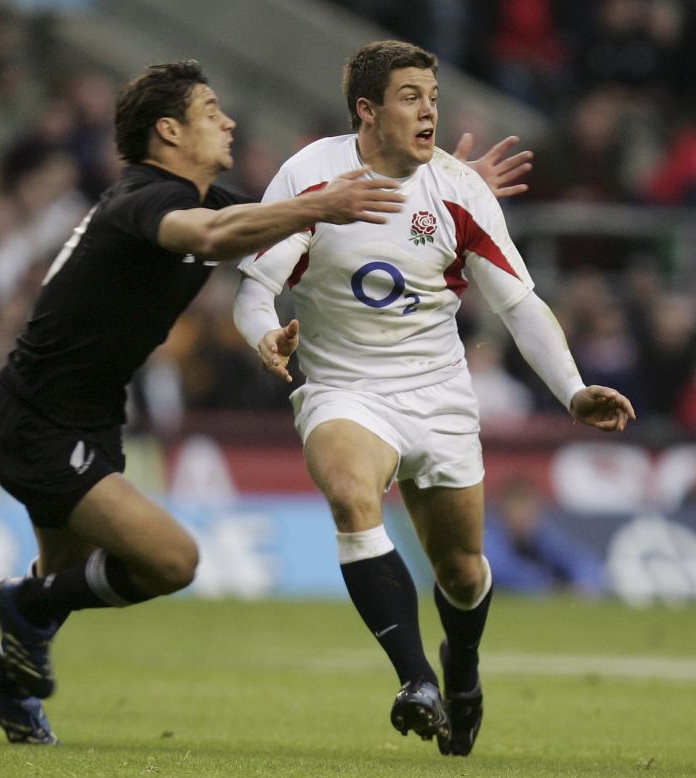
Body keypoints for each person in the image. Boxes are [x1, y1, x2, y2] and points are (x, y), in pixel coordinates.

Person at [0, 58, 530, 746]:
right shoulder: (145, 199)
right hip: (36, 420)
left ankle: (6, 682)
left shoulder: (208, 198)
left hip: (86, 414)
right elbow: (211, 237)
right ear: (169, 131)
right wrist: (317, 203)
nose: (228, 121)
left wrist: (448, 194)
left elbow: (289, 231)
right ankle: (17, 605)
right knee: (169, 561)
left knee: (64, 580)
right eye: (210, 113)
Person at [233, 40, 636, 757]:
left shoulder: (457, 188)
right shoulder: (312, 176)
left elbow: (520, 304)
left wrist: (572, 391)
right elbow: (255, 289)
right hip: (343, 387)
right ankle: (416, 679)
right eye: (411, 97)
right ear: (367, 110)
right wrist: (265, 337)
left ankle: (462, 667)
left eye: (434, 96)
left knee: (460, 570)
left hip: (440, 391)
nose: (430, 111)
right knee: (354, 498)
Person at [482, 477, 606, 597]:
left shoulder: (541, 533)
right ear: (503, 512)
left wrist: (584, 583)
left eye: (527, 509)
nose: (523, 517)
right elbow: (504, 574)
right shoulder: (488, 538)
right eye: (517, 509)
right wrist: (551, 586)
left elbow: (581, 561)